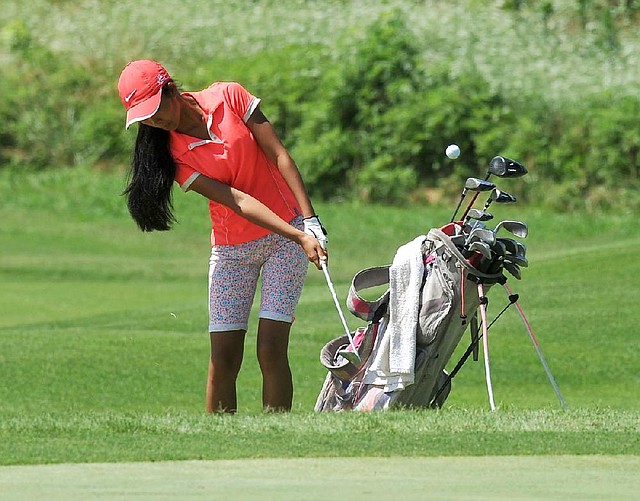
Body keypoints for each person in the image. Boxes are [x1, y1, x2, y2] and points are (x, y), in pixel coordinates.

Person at [117, 59, 328, 414]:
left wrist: (309, 222)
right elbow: (238, 200)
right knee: (224, 357)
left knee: (270, 348)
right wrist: (298, 234)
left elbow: (279, 155)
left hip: (287, 241)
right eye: (146, 118)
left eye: (156, 110)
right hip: (234, 250)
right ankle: (220, 443)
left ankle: (277, 436)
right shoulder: (172, 156)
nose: (156, 121)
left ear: (170, 89)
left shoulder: (230, 96)